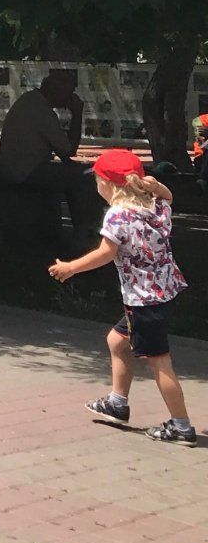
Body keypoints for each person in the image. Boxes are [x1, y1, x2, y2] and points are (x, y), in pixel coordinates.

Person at [48, 148, 194, 445]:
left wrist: (71, 267)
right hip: (166, 292)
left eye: (98, 180)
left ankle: (181, 426)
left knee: (159, 362)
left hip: (144, 301)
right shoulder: (155, 205)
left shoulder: (118, 215)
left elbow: (106, 252)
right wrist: (157, 186)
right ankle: (117, 403)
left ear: (109, 184)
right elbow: (169, 197)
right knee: (117, 341)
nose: (96, 185)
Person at [0, 68, 95, 237]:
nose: (71, 99)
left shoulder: (32, 101)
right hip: (24, 172)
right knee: (83, 178)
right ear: (58, 91)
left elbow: (64, 153)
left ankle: (70, 231)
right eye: (70, 93)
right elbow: (69, 149)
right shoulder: (41, 110)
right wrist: (77, 114)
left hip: (17, 169)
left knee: (76, 173)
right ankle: (83, 232)